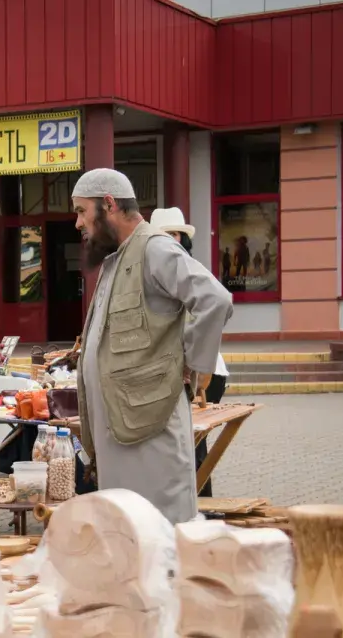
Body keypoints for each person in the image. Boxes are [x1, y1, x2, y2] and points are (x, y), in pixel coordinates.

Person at [72, 169, 233, 525]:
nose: (78, 223)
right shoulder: (117, 257)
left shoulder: (155, 248)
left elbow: (215, 300)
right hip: (122, 435)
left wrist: (193, 362)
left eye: (82, 211)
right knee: (129, 541)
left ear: (108, 204)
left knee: (163, 539)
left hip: (151, 436)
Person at [149, 207, 231, 498]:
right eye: (166, 234)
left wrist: (192, 364)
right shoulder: (163, 267)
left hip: (203, 370)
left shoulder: (180, 268)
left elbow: (216, 305)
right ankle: (199, 505)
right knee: (188, 444)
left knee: (190, 444)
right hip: (190, 368)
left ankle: (199, 507)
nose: (172, 240)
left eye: (176, 234)